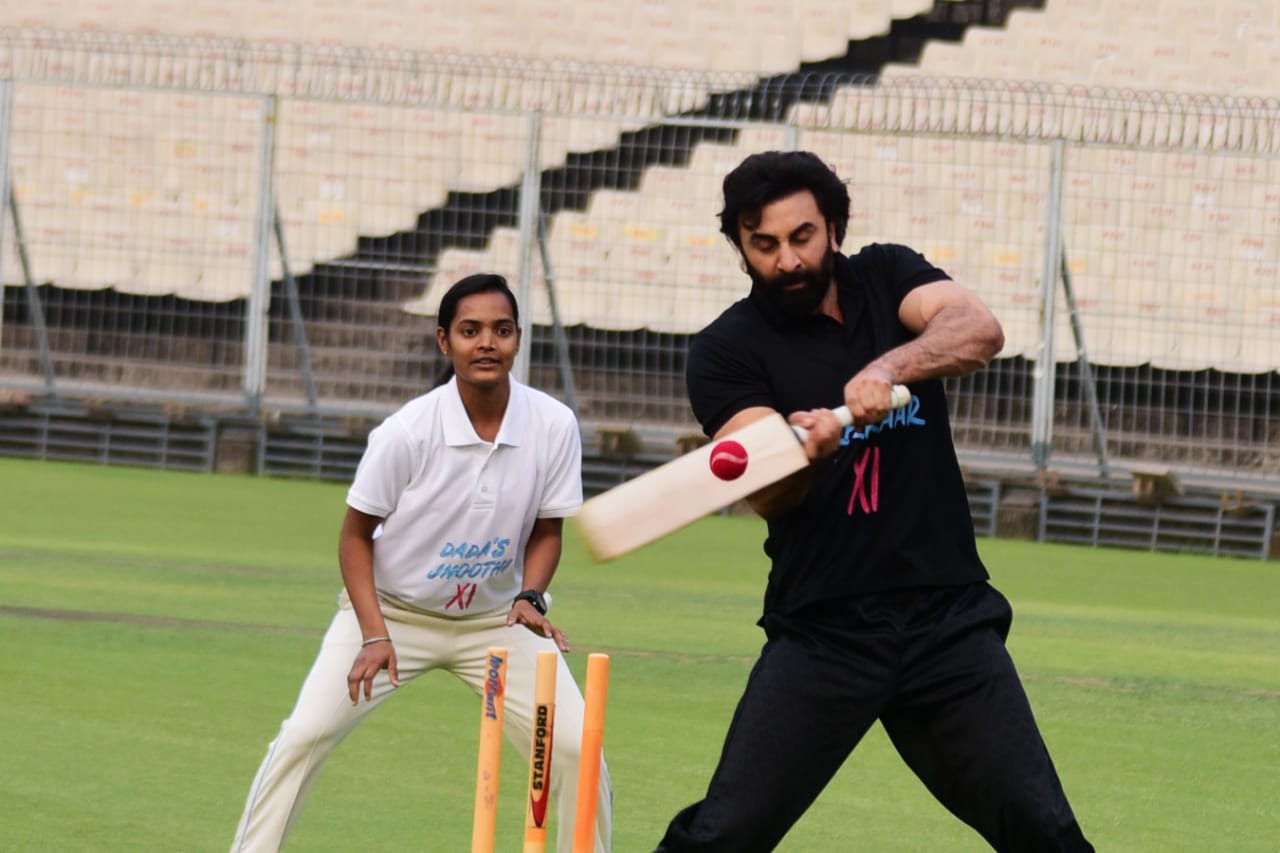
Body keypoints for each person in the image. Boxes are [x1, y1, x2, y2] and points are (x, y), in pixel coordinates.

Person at [653, 151, 1092, 853]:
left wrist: (889, 365)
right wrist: (800, 450)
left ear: (833, 227)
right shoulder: (725, 351)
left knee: (1044, 830)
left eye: (802, 236)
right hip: (826, 630)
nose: (787, 260)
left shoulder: (889, 277)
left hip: (946, 621)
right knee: (727, 835)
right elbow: (767, 496)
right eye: (762, 244)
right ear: (740, 246)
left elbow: (977, 328)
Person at [231, 273, 612, 852]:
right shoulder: (406, 432)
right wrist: (373, 633)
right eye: (470, 330)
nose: (487, 342)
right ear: (444, 341)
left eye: (501, 330)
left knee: (578, 749)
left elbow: (547, 531)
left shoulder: (553, 424)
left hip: (500, 622)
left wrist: (530, 597)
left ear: (517, 340)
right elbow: (355, 537)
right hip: (392, 618)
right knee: (303, 736)